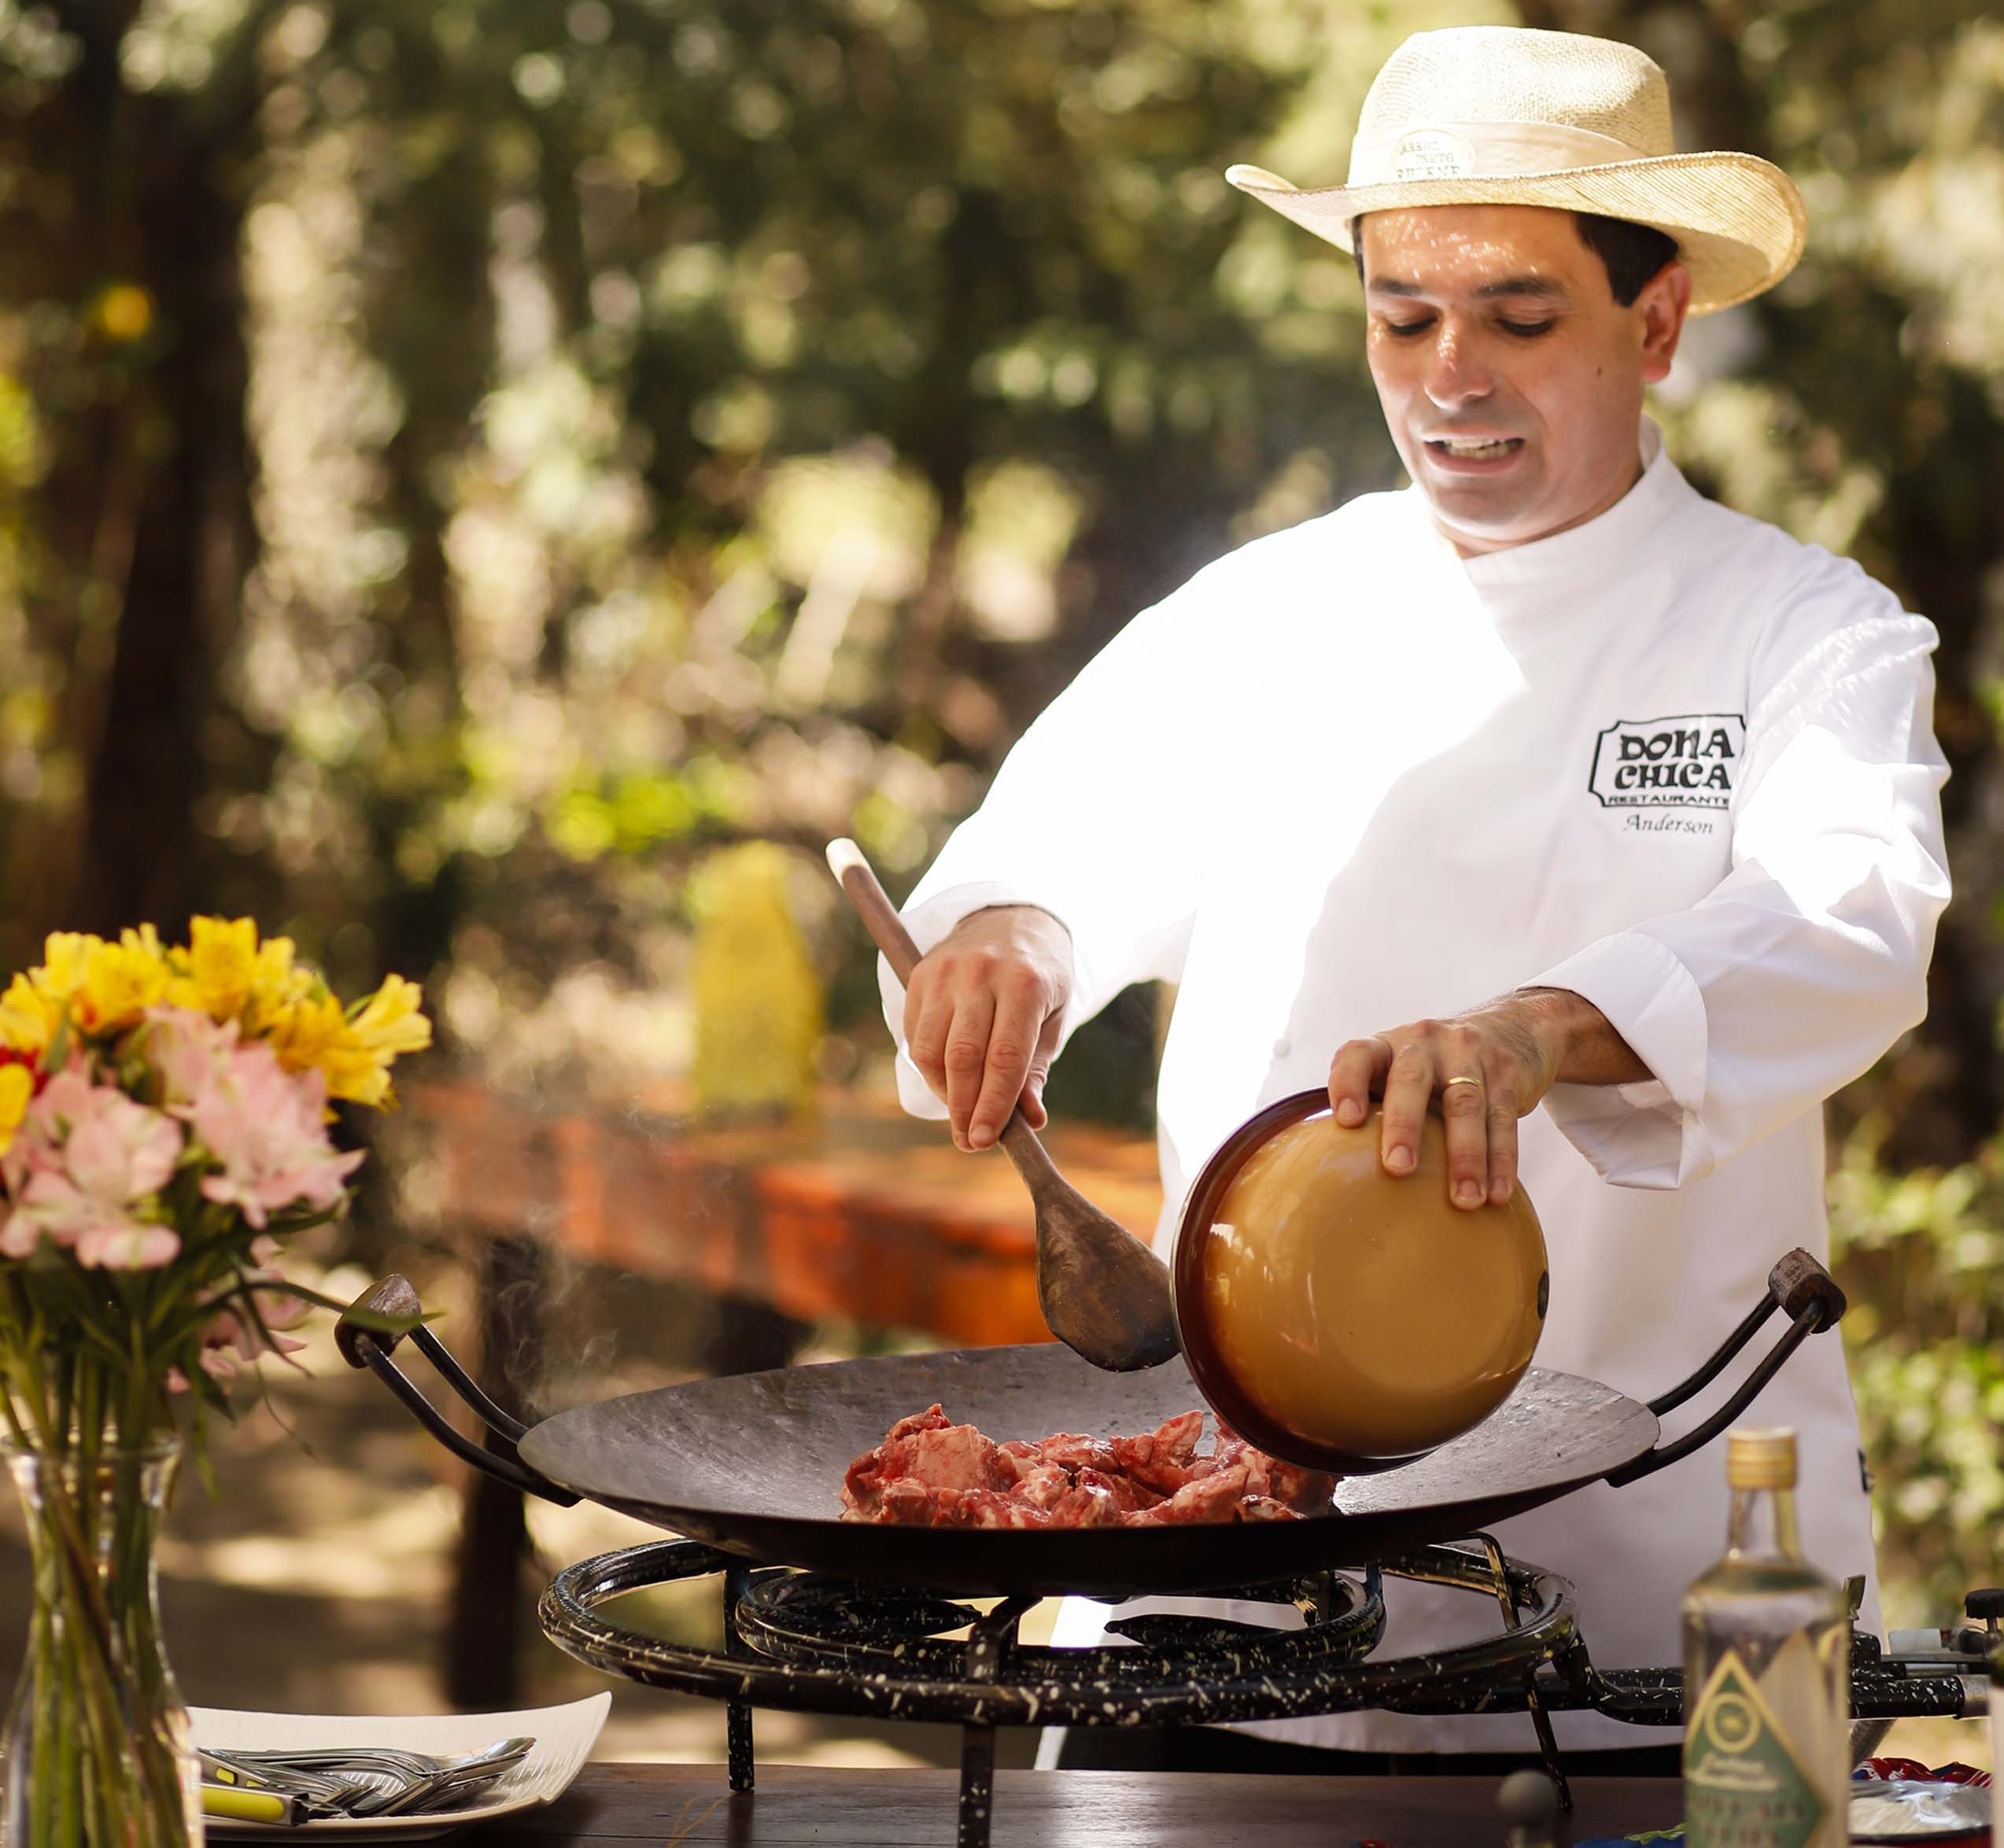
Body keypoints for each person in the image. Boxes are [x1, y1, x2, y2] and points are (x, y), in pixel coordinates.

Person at [873, 25, 1950, 1771]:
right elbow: (1040, 853)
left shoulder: (1800, 629)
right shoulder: (1259, 618)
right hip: (1222, 1579)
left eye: (1519, 316)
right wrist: (1007, 939)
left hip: (1677, 1593)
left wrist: (1534, 1028)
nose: (1450, 372)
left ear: (1655, 320)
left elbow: (1849, 924)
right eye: (1401, 315)